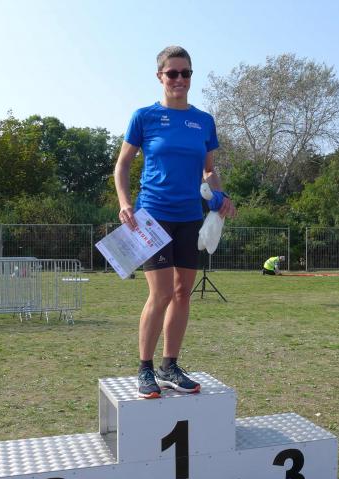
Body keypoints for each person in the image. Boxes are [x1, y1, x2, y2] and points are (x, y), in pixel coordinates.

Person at [114, 46, 236, 399]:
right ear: (160, 76)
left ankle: (170, 366)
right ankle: (145, 368)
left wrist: (219, 196)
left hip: (189, 218)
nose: (179, 79)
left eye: (186, 73)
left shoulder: (204, 121)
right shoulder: (144, 117)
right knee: (162, 292)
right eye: (172, 73)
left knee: (183, 293)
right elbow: (122, 165)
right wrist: (125, 203)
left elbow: (209, 170)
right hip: (152, 217)